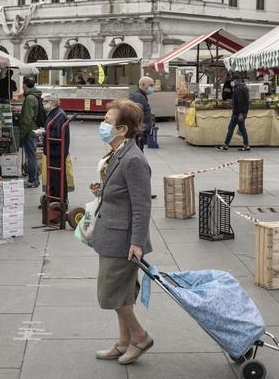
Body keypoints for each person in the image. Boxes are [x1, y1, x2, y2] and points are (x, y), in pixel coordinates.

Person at [90, 97, 153, 365]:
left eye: (108, 121)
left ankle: (140, 337)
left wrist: (137, 242)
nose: (103, 124)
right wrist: (101, 190)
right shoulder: (119, 151)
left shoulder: (133, 159)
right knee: (123, 293)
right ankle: (122, 342)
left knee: (111, 292)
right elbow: (122, 193)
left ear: (122, 129)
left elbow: (142, 206)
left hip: (123, 239)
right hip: (112, 233)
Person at [39, 93, 69, 208]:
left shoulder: (59, 115)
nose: (43, 103)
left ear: (53, 102)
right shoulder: (53, 114)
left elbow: (57, 135)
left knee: (58, 178)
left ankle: (61, 201)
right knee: (52, 177)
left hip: (57, 153)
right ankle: (51, 198)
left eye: (46, 101)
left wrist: (44, 133)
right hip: (53, 152)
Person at [20, 76, 43, 188]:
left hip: (29, 131)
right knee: (32, 155)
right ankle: (34, 179)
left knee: (31, 156)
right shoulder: (35, 96)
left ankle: (32, 179)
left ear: (25, 85)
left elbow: (27, 118)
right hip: (33, 129)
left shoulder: (30, 98)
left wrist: (23, 133)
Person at [218, 75, 250, 151]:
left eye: (233, 80)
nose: (232, 82)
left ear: (236, 81)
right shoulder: (245, 88)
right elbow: (246, 101)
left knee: (231, 128)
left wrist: (240, 113)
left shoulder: (238, 90)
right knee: (242, 129)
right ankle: (246, 145)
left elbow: (240, 102)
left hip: (237, 113)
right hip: (242, 112)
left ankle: (226, 145)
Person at [128, 76, 154, 152]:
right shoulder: (138, 97)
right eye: (151, 85)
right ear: (143, 84)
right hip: (138, 135)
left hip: (139, 135)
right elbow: (136, 117)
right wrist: (140, 134)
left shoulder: (140, 96)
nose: (152, 88)